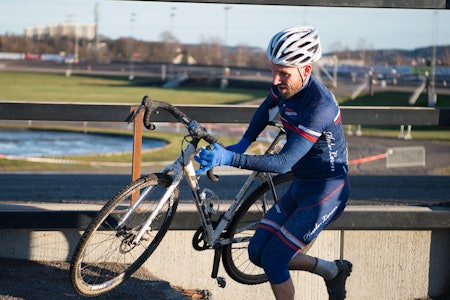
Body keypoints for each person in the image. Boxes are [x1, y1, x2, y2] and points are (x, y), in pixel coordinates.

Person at [195, 26, 352, 300]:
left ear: (306, 69)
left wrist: (229, 157)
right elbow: (266, 108)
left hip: (327, 192)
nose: (276, 80)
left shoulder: (319, 106)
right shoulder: (287, 87)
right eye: (273, 70)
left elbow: (283, 163)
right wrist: (244, 142)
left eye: (284, 73)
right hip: (302, 186)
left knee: (275, 259)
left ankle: (331, 273)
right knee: (258, 253)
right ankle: (332, 271)